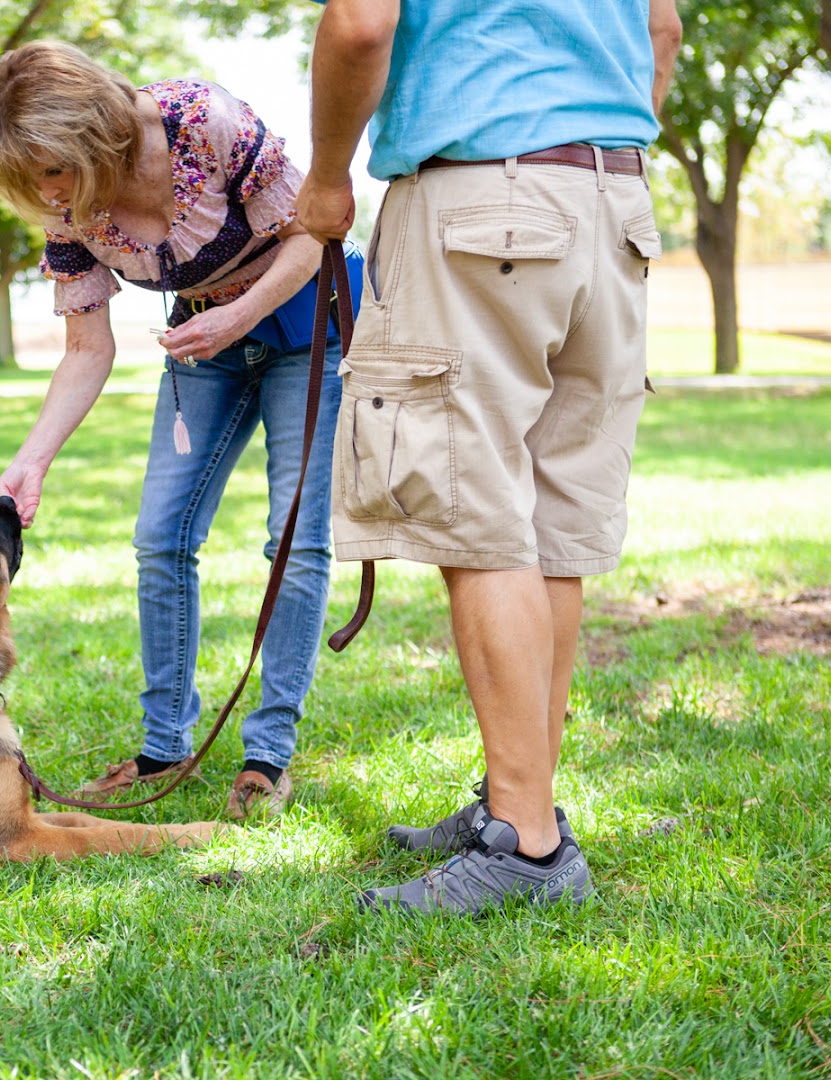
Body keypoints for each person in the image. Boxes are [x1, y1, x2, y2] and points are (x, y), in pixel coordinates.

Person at [297, 0, 682, 912]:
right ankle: (525, 804)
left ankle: (526, 847)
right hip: (615, 204)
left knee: (476, 517)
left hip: (482, 194)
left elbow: (358, 25)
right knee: (549, 520)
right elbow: (661, 29)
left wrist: (324, 178)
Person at [0, 41, 360, 818]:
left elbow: (315, 230)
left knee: (294, 539)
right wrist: (31, 461)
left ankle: (268, 756)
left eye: (53, 169)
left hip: (308, 323)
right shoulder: (65, 207)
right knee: (160, 536)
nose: (47, 192)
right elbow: (86, 347)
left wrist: (239, 313)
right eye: (31, 176)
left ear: (93, 132)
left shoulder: (203, 122)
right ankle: (164, 744)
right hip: (206, 343)